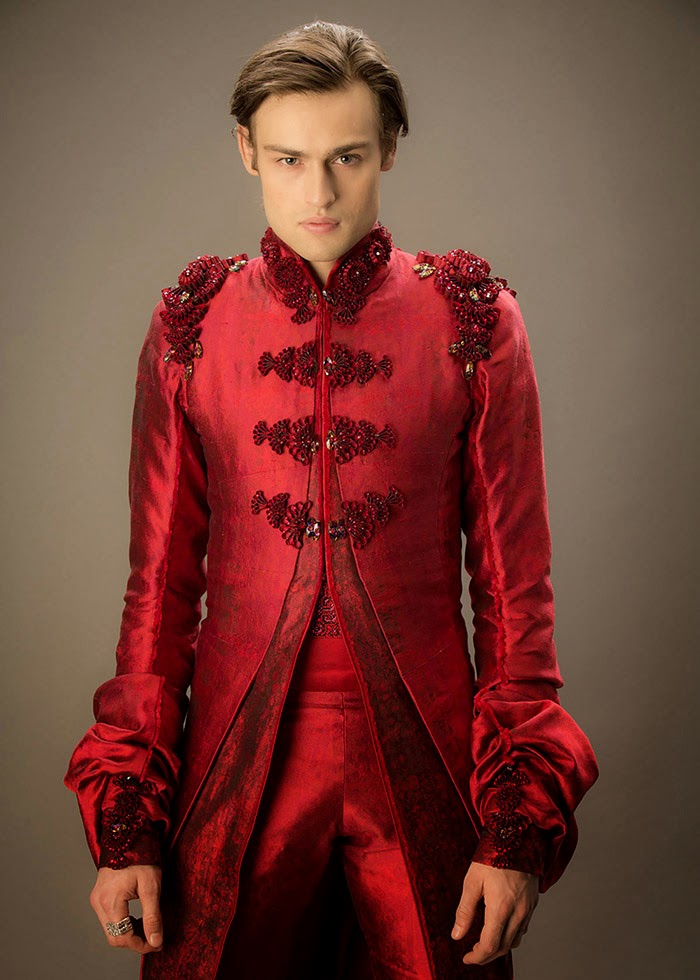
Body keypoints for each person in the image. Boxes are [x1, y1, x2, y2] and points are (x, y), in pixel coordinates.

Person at [65, 20, 599, 979]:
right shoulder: (192, 325)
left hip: (429, 759)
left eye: (346, 157)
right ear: (246, 151)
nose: (318, 193)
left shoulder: (473, 319)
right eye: (289, 159)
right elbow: (158, 593)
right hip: (236, 761)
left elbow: (516, 594)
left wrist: (514, 827)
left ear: (389, 147)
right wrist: (129, 823)